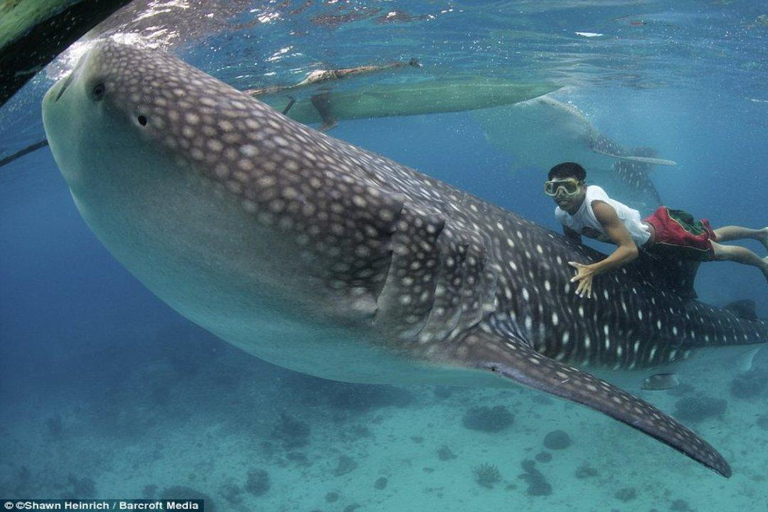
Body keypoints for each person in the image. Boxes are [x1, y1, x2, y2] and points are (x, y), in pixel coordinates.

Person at [546, 162, 768, 298]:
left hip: (665, 238)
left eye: (569, 187)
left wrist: (594, 269)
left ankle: (762, 263)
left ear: (583, 187)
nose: (561, 194)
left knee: (718, 251)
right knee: (712, 235)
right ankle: (760, 233)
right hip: (650, 229)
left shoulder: (598, 209)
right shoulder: (562, 215)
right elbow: (574, 246)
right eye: (553, 188)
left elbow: (630, 250)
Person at [245, 58, 422, 131]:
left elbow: (369, 70)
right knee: (313, 95)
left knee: (312, 95)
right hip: (313, 82)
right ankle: (329, 120)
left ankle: (329, 120)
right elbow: (371, 70)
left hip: (316, 81)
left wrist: (405, 64)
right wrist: (404, 65)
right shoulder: (320, 82)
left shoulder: (335, 76)